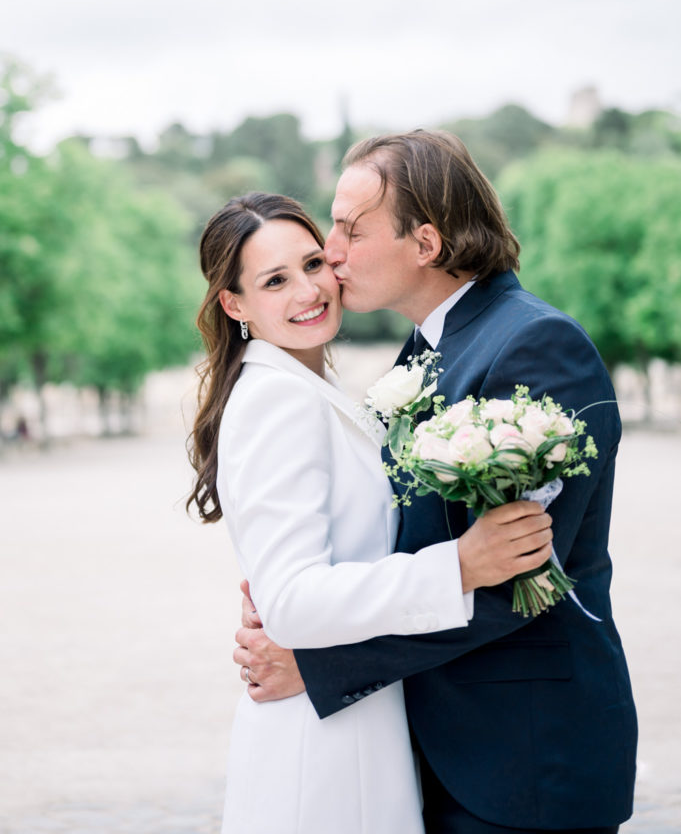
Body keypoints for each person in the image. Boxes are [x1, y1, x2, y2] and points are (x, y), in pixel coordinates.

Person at [234, 133, 638, 834]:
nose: (330, 251)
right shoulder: (425, 347)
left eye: (350, 230)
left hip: (525, 758)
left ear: (424, 243)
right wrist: (297, 592)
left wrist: (322, 664)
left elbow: (520, 579)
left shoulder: (536, 346)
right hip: (436, 748)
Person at [187, 191, 554, 834]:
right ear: (234, 304)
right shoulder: (278, 399)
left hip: (356, 719)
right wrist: (459, 567)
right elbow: (295, 600)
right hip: (326, 746)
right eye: (275, 280)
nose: (308, 291)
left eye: (311, 263)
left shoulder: (309, 388)